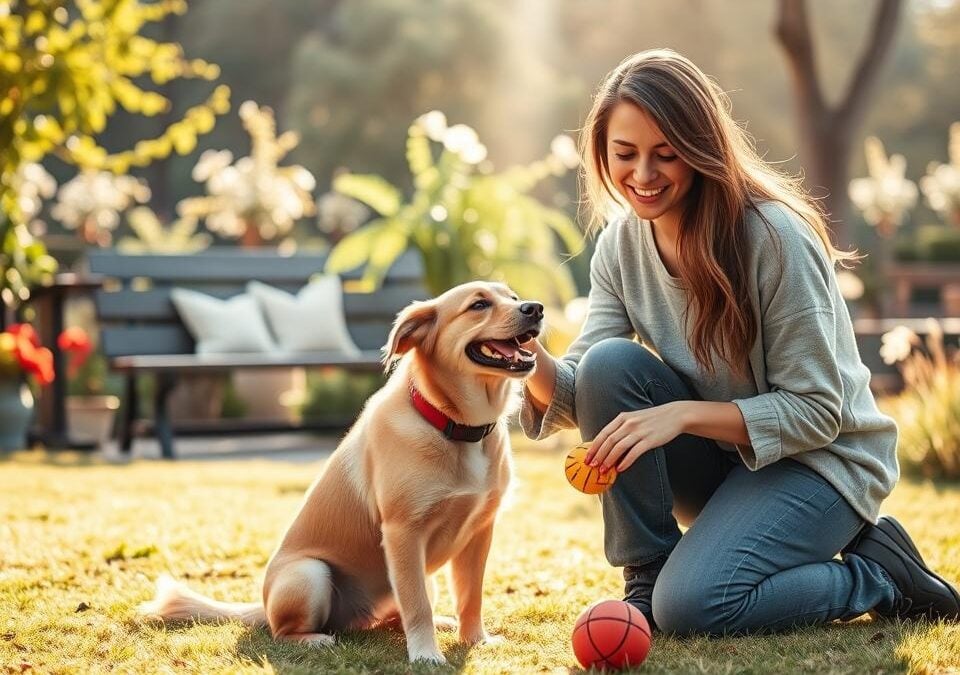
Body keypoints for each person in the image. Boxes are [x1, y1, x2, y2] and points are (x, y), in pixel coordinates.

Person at [519, 48, 960, 635]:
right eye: (624, 154)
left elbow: (818, 411)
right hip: (727, 465)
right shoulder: (621, 245)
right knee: (607, 364)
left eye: (665, 155)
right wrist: (521, 355)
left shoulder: (774, 239)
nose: (642, 176)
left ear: (700, 150)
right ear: (602, 152)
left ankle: (877, 574)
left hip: (823, 465)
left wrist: (680, 416)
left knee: (696, 607)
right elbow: (586, 391)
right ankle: (647, 576)